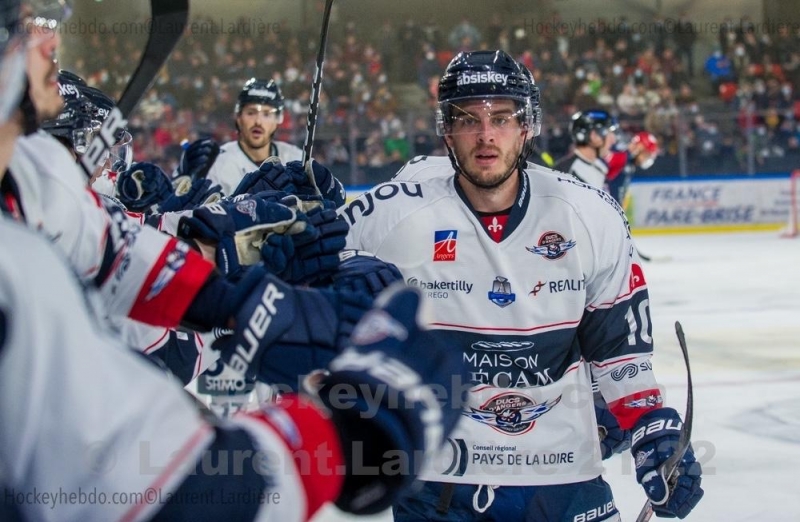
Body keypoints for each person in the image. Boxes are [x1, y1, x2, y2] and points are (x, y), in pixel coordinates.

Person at [0, 2, 466, 521]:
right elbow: (158, 494)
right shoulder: (16, 272)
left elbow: (120, 252)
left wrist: (245, 273)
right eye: (24, 30)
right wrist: (342, 437)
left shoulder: (30, 173)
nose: (50, 44)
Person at [340, 50, 704, 521]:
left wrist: (651, 427)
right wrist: (301, 225)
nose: (486, 134)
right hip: (441, 483)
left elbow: (621, 353)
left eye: (503, 116)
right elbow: (297, 266)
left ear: (527, 124)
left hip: (561, 475)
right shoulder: (393, 212)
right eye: (467, 118)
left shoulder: (590, 215)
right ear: (445, 130)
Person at [203, 78, 302, 196]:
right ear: (238, 117)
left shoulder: (296, 158)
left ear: (278, 119)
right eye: (251, 112)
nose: (258, 122)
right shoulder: (218, 164)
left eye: (266, 114)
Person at [553, 109, 618, 190]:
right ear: (594, 136)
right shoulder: (565, 172)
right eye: (609, 134)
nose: (613, 140)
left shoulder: (601, 166)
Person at [605, 130, 660, 207]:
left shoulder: (629, 164)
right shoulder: (622, 156)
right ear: (640, 147)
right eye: (647, 154)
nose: (647, 158)